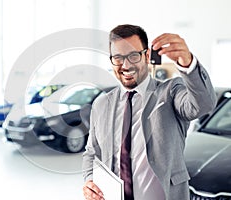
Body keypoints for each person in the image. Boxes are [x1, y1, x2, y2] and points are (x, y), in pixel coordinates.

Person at [82, 24, 217, 200]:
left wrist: (188, 63)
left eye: (133, 56)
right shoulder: (101, 104)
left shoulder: (170, 91)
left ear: (146, 56)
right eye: (118, 58)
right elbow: (92, 152)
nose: (125, 65)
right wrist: (89, 181)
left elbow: (204, 104)